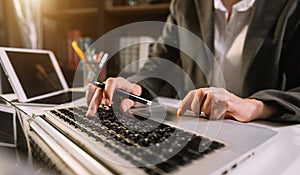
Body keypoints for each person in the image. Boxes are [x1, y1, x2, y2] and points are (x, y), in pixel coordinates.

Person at [86, 0, 300, 123]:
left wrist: (254, 106)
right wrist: (134, 87)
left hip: (266, 133)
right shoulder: (185, 3)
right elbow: (160, 59)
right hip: (197, 126)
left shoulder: (291, 6)